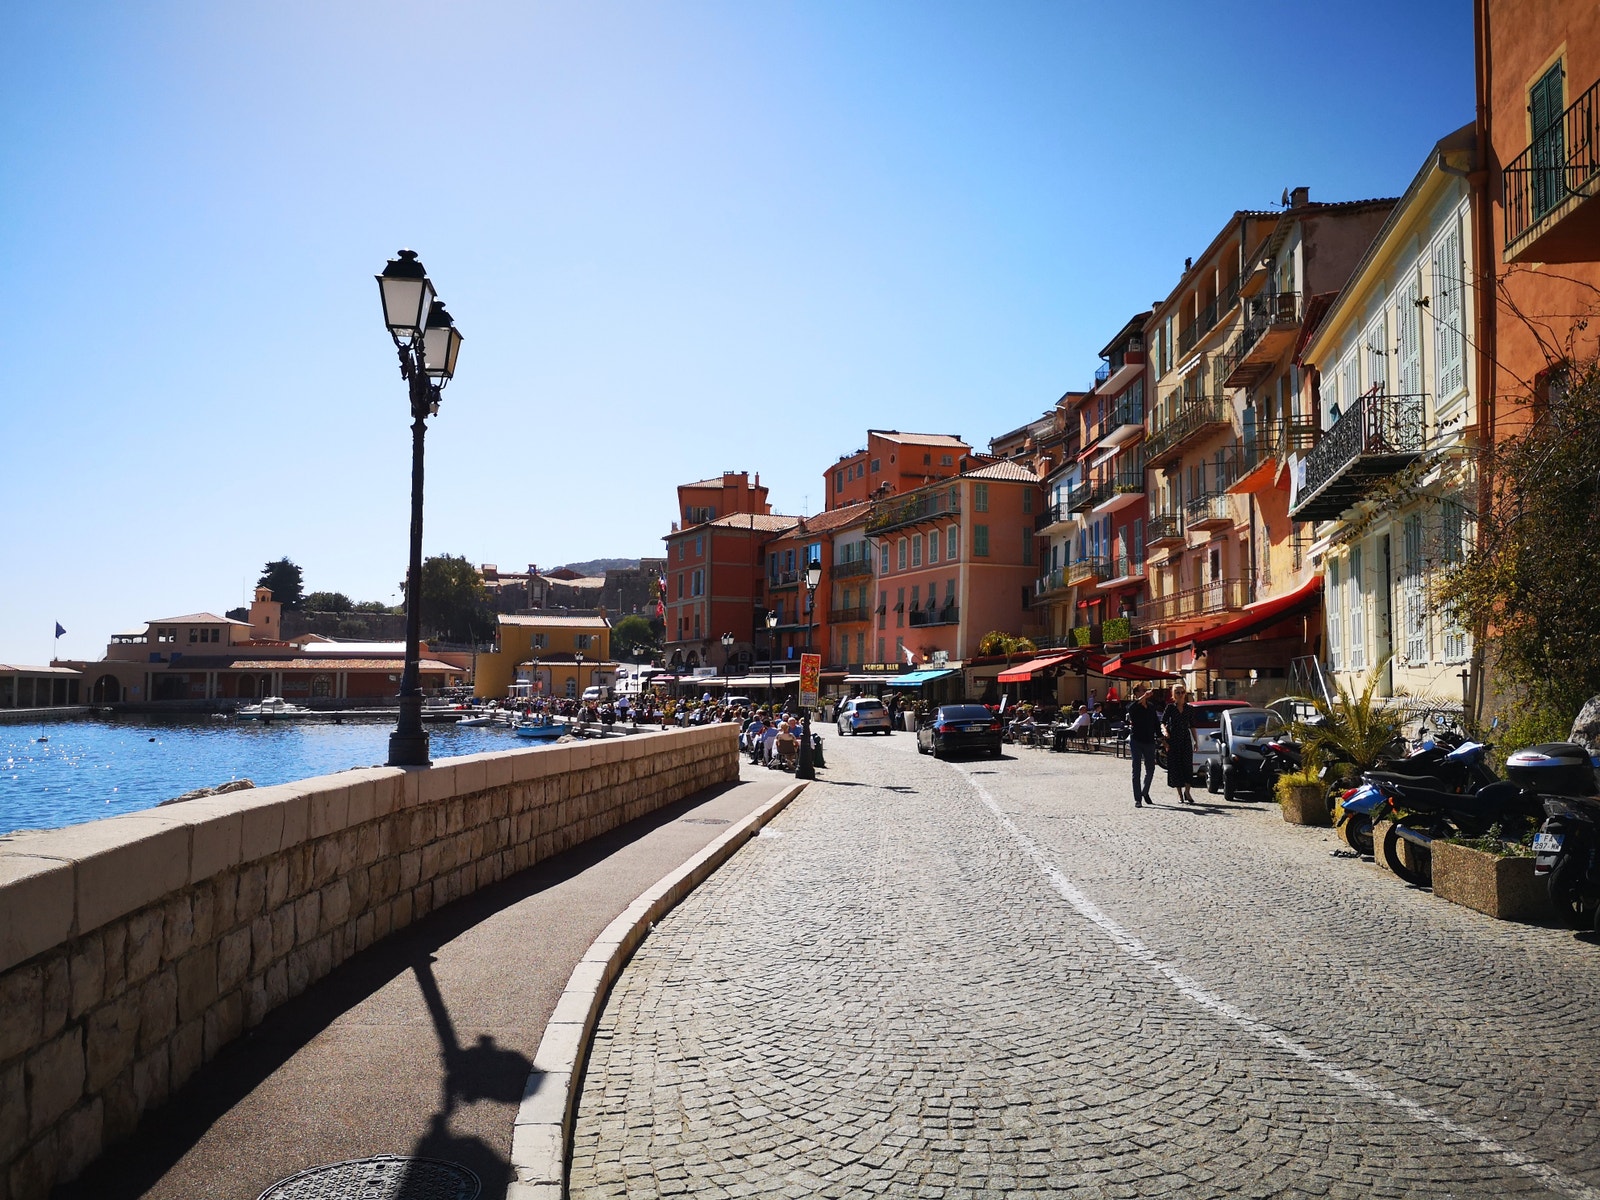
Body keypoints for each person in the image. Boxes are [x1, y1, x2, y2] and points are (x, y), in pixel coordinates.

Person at [1125, 684, 1162, 808]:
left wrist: (1161, 738)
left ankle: (1144, 792)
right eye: (1142, 690)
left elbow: (1156, 723)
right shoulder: (1132, 706)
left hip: (1149, 741)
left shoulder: (1151, 707)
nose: (1145, 692)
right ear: (1136, 693)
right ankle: (1138, 799)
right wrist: (1143, 697)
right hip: (1136, 740)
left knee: (1150, 769)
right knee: (1136, 770)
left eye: (1146, 690)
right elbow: (1131, 709)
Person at [1162, 684, 1198, 805]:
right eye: (1177, 692)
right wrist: (1165, 731)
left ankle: (1187, 792)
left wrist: (1196, 741)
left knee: (1187, 766)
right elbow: (1162, 722)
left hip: (1186, 740)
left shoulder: (1189, 709)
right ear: (1173, 695)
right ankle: (1179, 793)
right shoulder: (1170, 708)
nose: (1180, 695)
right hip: (1174, 740)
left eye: (1182, 692)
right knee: (1176, 767)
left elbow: (1192, 726)